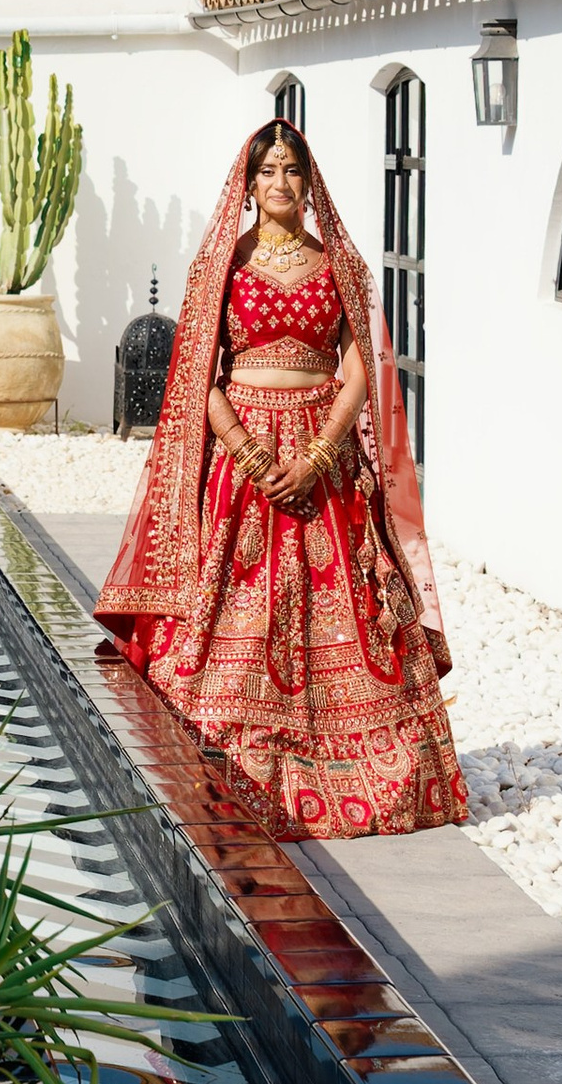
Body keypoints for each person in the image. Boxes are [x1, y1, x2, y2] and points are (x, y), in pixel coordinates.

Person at [97, 119, 466, 837]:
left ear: (308, 180)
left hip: (323, 463)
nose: (280, 183)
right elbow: (198, 373)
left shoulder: (341, 268)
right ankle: (229, 773)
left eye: (292, 170)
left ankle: (368, 778)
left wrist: (323, 453)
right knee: (234, 614)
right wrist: (249, 452)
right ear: (248, 183)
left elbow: (361, 366)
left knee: (351, 614)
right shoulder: (221, 268)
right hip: (246, 467)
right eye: (267, 171)